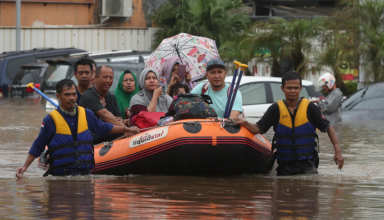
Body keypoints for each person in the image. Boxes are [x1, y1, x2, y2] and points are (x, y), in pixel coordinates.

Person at [15, 79, 139, 178]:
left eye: (74, 94)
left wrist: (126, 129)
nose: (72, 98)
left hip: (85, 175)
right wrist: (25, 166)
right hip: (60, 177)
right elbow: (38, 145)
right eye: (67, 95)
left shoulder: (86, 114)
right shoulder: (50, 120)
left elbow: (103, 127)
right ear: (58, 96)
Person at [233, 71, 344, 176]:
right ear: (282, 88)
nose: (292, 91)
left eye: (296, 88)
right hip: (284, 166)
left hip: (307, 165)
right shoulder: (275, 109)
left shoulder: (310, 107)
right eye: (289, 88)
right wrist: (245, 123)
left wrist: (337, 151)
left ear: (300, 89)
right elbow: (258, 128)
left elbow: (328, 127)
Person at [80, 65, 125, 144]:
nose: (108, 80)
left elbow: (118, 119)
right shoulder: (88, 95)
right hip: (90, 138)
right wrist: (126, 129)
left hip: (109, 139)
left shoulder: (112, 97)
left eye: (111, 78)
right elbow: (105, 114)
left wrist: (122, 123)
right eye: (105, 77)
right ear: (96, 78)